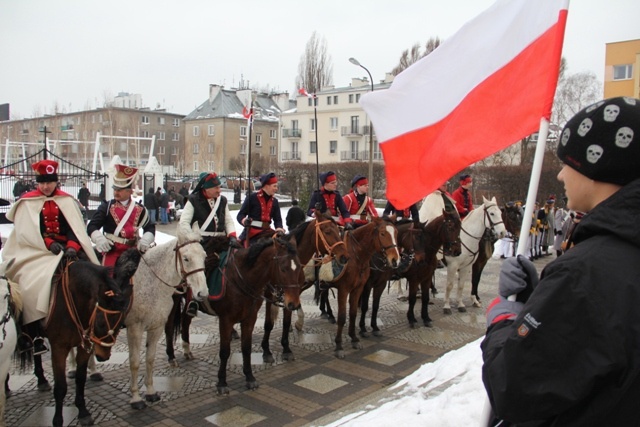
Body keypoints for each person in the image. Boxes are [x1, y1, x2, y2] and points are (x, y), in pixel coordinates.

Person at [482, 97, 640, 426]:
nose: (561, 175)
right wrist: (541, 299)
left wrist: (502, 323)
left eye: (568, 163)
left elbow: (512, 386)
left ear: (598, 166)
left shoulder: (584, 271)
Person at [3, 160, 99, 355]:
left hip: (67, 249)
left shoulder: (67, 201)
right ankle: (31, 333)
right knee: (27, 283)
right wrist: (48, 244)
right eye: (42, 182)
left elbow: (76, 228)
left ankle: (97, 324)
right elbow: (26, 232)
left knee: (96, 276)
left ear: (56, 182)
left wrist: (72, 246)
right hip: (38, 250)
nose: (46, 186)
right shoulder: (27, 202)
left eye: (49, 182)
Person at [180, 171, 239, 316]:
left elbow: (228, 221)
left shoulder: (222, 201)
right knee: (200, 266)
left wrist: (232, 235)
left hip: (221, 240)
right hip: (202, 242)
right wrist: (192, 239)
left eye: (219, 187)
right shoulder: (193, 200)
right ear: (206, 188)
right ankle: (193, 299)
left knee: (236, 260)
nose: (219, 190)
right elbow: (184, 223)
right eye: (216, 188)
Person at [87, 164, 155, 269]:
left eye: (120, 190)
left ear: (129, 191)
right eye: (115, 189)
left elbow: (150, 227)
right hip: (112, 250)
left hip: (133, 251)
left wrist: (145, 240)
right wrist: (99, 239)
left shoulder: (140, 209)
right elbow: (92, 226)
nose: (116, 192)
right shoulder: (106, 207)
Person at [419, 180, 460, 269]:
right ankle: (438, 257)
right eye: (443, 184)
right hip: (439, 225)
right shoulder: (433, 196)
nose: (445, 186)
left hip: (450, 223)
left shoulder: (446, 196)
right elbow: (433, 214)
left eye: (446, 185)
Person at [237, 172, 285, 245]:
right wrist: (245, 221)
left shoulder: (275, 202)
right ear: (266, 186)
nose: (276, 189)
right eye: (274, 186)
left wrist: (279, 229)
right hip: (252, 233)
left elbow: (277, 219)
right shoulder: (252, 198)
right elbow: (240, 215)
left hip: (267, 232)